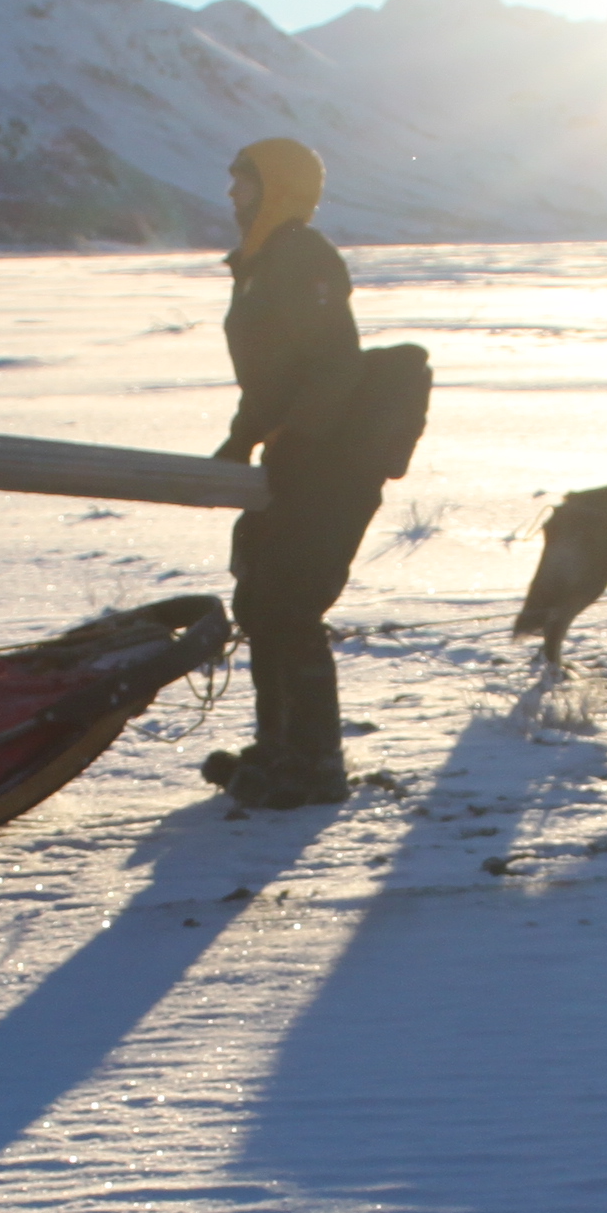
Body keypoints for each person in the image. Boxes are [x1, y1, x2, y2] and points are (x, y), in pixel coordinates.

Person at [206, 135, 379, 807]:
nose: (231, 194)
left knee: (290, 605)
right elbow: (273, 379)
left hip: (332, 463)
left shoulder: (304, 259)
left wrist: (303, 439)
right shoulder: (260, 263)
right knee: (258, 599)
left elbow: (336, 362)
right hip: (294, 454)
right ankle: (277, 748)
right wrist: (241, 440)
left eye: (242, 182)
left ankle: (316, 766)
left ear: (275, 188)